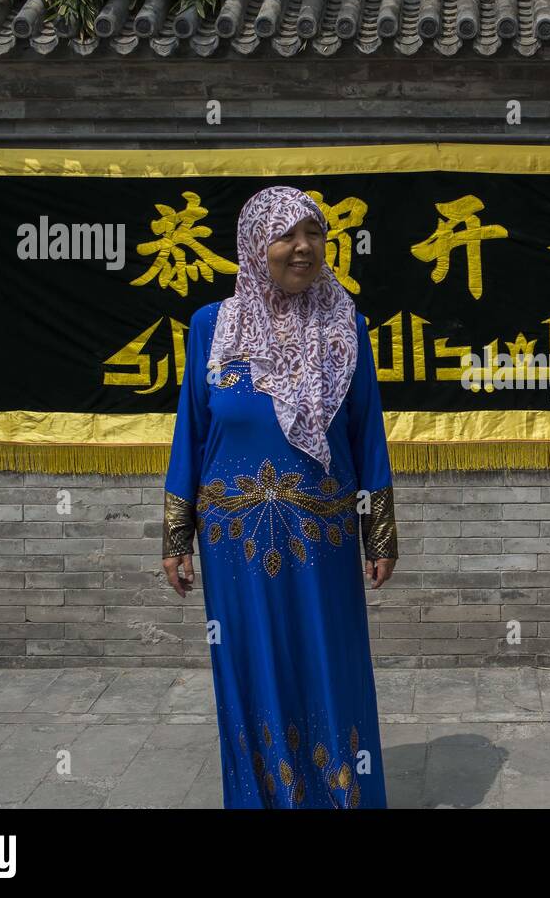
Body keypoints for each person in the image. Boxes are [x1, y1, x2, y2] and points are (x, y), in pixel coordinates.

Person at [160, 185, 398, 809]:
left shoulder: (345, 325)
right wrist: (175, 533)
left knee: (328, 662)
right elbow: (193, 428)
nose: (303, 247)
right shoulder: (213, 327)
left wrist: (379, 533)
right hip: (235, 545)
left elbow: (366, 431)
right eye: (286, 235)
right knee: (253, 672)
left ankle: (342, 797)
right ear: (253, 246)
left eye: (314, 233)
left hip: (320, 537)